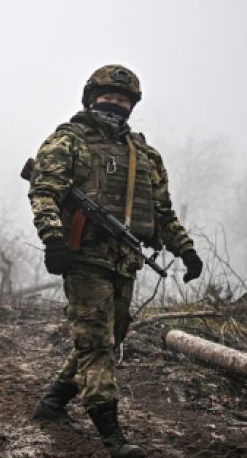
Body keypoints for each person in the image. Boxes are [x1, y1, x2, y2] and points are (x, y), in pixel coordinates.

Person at [27, 64, 203, 458]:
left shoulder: (145, 155)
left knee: (109, 338)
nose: (116, 104)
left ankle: (53, 404)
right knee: (95, 345)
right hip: (85, 257)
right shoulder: (68, 141)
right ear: (91, 98)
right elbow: (44, 192)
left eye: (123, 99)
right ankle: (112, 437)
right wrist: (54, 239)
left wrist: (185, 250)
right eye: (108, 97)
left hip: (125, 260)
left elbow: (162, 213)